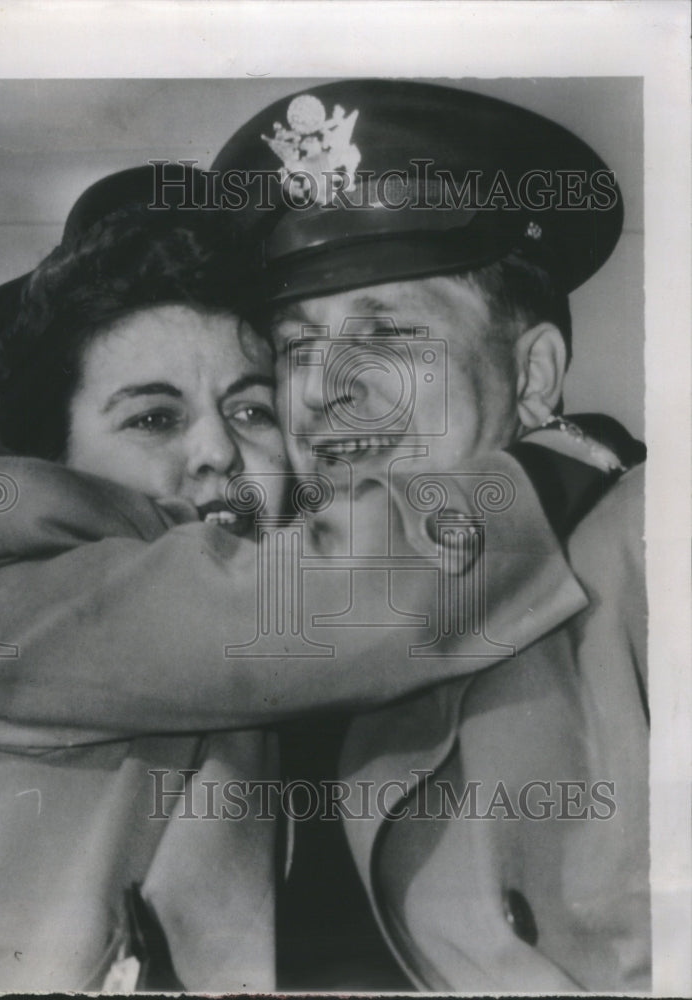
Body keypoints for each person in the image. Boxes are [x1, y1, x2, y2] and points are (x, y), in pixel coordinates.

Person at [0, 164, 583, 992]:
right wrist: (551, 473)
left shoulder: (307, 673)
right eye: (154, 418)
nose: (219, 451)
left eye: (253, 408)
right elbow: (333, 597)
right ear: (53, 459)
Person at [211, 78, 649, 990]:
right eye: (298, 349)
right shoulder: (259, 614)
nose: (331, 391)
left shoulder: (656, 549)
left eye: (390, 336)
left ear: (533, 378)